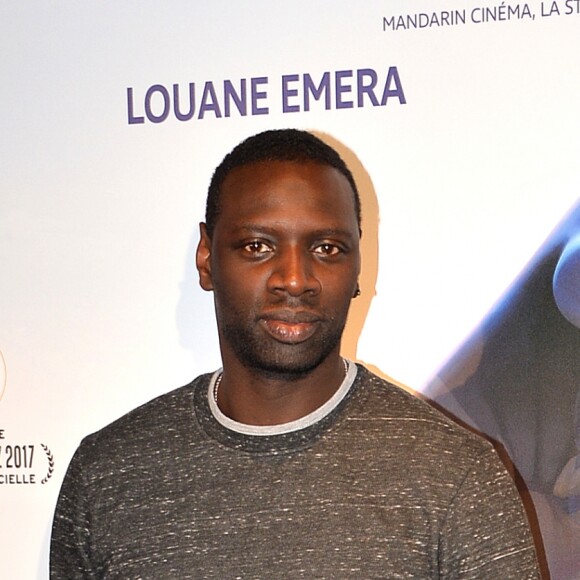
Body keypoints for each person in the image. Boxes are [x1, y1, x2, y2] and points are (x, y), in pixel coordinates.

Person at [50, 129, 541, 578]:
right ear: (206, 257)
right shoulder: (109, 474)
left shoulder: (457, 475)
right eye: (258, 245)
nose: (295, 279)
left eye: (326, 248)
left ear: (357, 269)